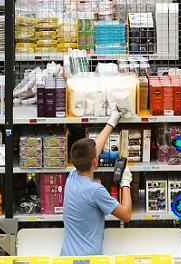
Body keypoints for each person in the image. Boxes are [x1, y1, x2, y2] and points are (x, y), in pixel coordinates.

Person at [61, 108, 133, 256]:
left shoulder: (71, 177)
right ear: (95, 161)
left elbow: (96, 148)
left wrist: (112, 122)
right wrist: (125, 182)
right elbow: (126, 215)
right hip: (88, 260)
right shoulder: (95, 191)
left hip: (66, 258)